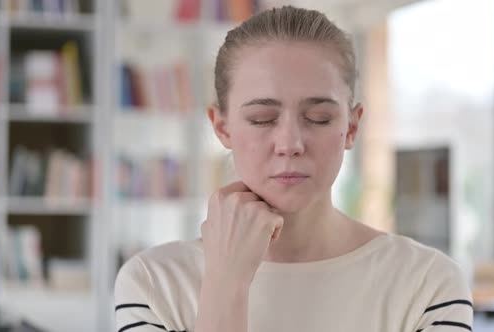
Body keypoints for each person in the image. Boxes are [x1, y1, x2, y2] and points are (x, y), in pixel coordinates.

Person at [114, 6, 473, 332]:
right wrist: (227, 282)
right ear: (222, 127)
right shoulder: (152, 284)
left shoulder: (427, 285)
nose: (290, 143)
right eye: (262, 118)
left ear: (351, 127)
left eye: (318, 118)